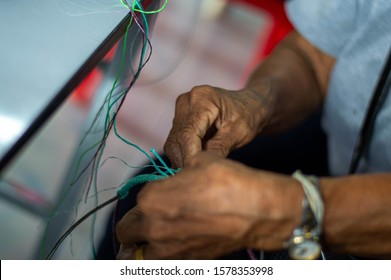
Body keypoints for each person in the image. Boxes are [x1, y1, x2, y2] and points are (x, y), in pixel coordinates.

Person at [113, 0, 391, 259]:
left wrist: (282, 210)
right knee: (149, 195)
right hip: (343, 145)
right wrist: (256, 101)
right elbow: (314, 55)